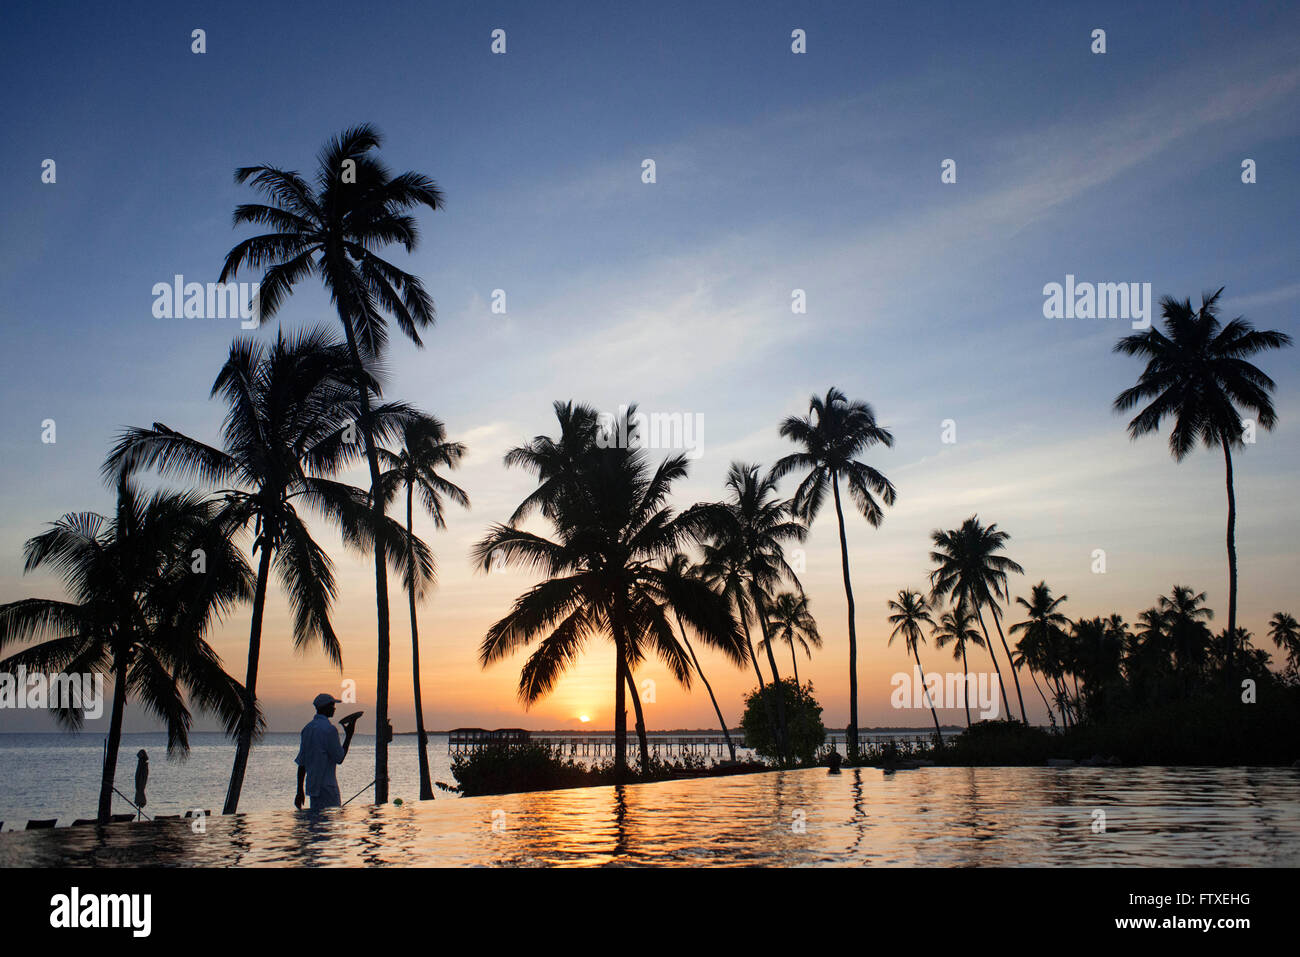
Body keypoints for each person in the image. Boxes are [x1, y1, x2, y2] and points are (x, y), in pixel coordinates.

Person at [294, 693, 360, 810]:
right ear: (325, 707)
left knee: (315, 825)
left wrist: (300, 791)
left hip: (313, 788)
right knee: (328, 825)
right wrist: (349, 736)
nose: (334, 708)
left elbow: (302, 763)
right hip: (328, 789)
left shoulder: (307, 729)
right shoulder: (330, 730)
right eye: (332, 705)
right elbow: (339, 758)